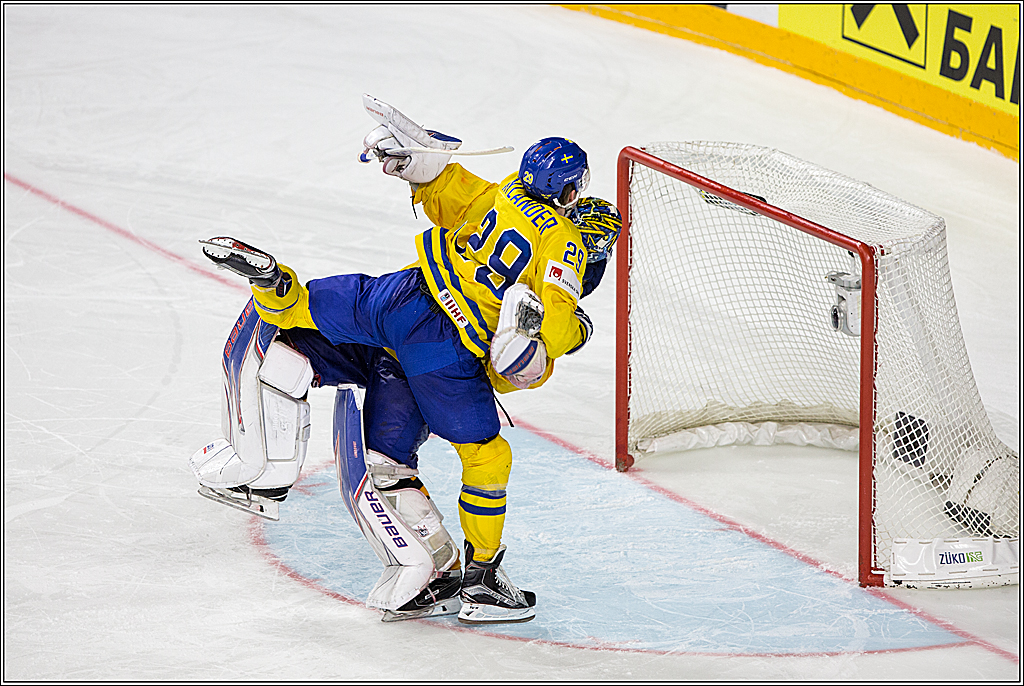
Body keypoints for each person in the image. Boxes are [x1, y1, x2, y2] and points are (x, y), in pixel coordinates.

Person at [190, 98, 621, 625]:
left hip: (406, 294)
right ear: (573, 194)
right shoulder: (565, 242)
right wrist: (575, 329)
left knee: (303, 312)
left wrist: (417, 164)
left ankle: (260, 447)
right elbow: (552, 321)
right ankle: (481, 581)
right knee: (485, 457)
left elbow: (451, 192)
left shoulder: (506, 191)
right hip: (443, 347)